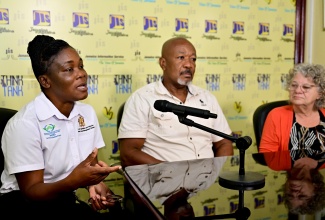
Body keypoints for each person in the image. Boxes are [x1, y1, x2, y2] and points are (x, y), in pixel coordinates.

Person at [0, 35, 122, 219]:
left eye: (81, 66)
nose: (81, 73)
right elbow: (31, 191)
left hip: (62, 198)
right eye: (69, 69)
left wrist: (94, 184)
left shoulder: (87, 113)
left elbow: (90, 165)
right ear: (45, 81)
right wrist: (74, 181)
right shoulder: (24, 124)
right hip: (22, 205)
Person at [118, 37, 233, 167]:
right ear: (163, 63)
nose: (189, 64)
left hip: (206, 182)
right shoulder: (142, 98)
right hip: (162, 181)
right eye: (181, 58)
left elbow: (224, 143)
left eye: (193, 59)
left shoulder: (207, 98)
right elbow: (128, 153)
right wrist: (173, 173)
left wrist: (215, 173)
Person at [259, 63, 325, 155]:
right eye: (294, 85)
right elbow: (267, 156)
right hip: (286, 169)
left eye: (306, 87)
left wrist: (316, 164)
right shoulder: (276, 115)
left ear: (320, 94)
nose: (297, 91)